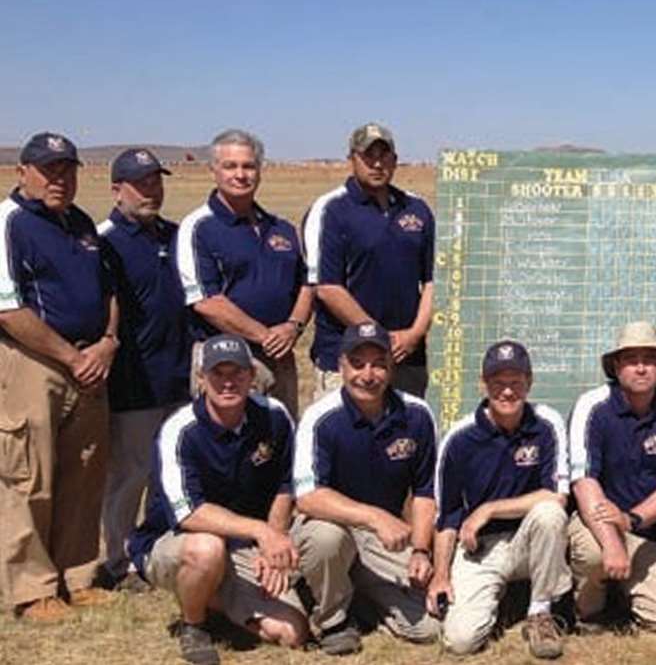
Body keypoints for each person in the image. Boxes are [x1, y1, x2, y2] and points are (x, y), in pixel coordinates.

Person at [128, 335, 342, 665]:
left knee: (292, 634)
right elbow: (189, 514)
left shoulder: (275, 416)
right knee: (206, 549)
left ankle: (215, 598)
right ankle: (193, 624)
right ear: (201, 378)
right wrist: (263, 533)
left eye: (237, 373)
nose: (228, 383)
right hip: (178, 541)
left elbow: (285, 486)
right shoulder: (179, 430)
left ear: (251, 376)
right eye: (218, 373)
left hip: (246, 545)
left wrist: (273, 544)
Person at [0, 132, 118, 619]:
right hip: (35, 362)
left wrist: (108, 343)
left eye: (67, 169)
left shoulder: (81, 224)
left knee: (84, 472)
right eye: (49, 170)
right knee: (29, 475)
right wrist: (72, 357)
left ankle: (78, 575)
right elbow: (8, 308)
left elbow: (108, 292)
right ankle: (32, 589)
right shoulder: (9, 223)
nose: (59, 179)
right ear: (21, 172)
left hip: (91, 363)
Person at [293, 321, 441, 652]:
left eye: (378, 364)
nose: (368, 374)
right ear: (341, 365)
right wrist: (374, 517)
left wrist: (420, 550)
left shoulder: (417, 414)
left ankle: (358, 596)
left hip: (383, 539)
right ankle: (333, 620)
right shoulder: (320, 418)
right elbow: (307, 497)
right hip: (331, 525)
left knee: (429, 627)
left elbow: (425, 490)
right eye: (357, 364)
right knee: (326, 539)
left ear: (392, 367)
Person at [428, 340, 570, 659]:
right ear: (483, 384)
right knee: (460, 641)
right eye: (498, 383)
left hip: (529, 541)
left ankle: (540, 612)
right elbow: (447, 514)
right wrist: (440, 574)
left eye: (516, 383)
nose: (507, 392)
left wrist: (489, 509)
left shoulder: (547, 425)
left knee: (549, 514)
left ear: (529, 383)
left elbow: (557, 497)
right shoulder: (459, 438)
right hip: (481, 549)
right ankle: (503, 599)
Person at [97, 148, 192, 590]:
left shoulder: (174, 236)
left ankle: (154, 550)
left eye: (156, 181)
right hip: (133, 383)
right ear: (117, 189)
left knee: (165, 472)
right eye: (140, 183)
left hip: (177, 376)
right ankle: (116, 560)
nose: (151, 191)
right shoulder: (102, 242)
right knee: (129, 474)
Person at [566, 321, 656, 632]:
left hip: (643, 530)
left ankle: (625, 595)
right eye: (631, 360)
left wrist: (631, 520)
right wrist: (612, 540)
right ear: (616, 367)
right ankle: (589, 611)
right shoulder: (592, 406)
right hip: (595, 521)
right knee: (595, 554)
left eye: (649, 360)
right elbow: (584, 482)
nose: (640, 368)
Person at [178, 128, 313, 416]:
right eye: (230, 166)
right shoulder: (199, 227)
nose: (240, 174)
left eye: (249, 166)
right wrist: (264, 336)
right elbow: (206, 301)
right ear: (214, 170)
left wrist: (293, 327)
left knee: (281, 438)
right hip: (225, 361)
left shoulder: (281, 229)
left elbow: (305, 284)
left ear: (260, 171)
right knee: (228, 448)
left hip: (280, 357)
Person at [304, 123, 435, 399]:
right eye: (368, 156)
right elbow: (327, 288)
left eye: (384, 156)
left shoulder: (417, 209)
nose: (377, 164)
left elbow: (433, 281)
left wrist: (414, 334)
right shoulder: (331, 210)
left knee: (403, 439)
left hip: (407, 358)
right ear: (352, 159)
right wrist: (378, 337)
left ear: (395, 161)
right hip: (348, 358)